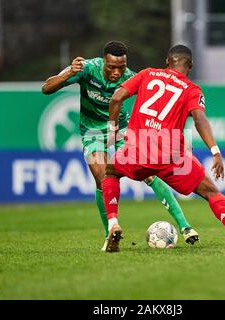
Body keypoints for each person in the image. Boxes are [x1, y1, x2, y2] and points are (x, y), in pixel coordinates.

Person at [102, 44, 225, 253]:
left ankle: (113, 224)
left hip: (137, 152)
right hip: (172, 157)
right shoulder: (192, 90)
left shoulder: (147, 74)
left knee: (110, 172)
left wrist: (113, 129)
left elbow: (116, 97)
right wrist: (215, 151)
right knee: (211, 192)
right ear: (191, 66)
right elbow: (200, 119)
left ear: (167, 62)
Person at [42, 41, 199, 250]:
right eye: (111, 67)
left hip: (122, 128)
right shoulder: (86, 68)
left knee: (150, 173)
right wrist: (69, 72)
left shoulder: (131, 76)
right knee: (102, 178)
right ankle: (111, 233)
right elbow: (46, 88)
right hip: (93, 131)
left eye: (121, 67)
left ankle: (185, 226)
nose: (117, 72)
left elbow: (161, 106)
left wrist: (178, 137)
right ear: (103, 61)